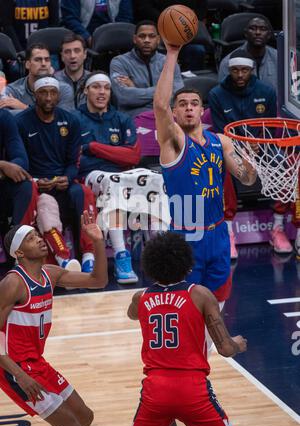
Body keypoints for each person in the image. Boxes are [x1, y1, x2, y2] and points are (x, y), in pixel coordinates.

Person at [153, 41, 257, 310]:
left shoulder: (220, 142)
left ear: (202, 111)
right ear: (175, 113)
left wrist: (252, 158)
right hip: (186, 236)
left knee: (217, 303)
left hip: (218, 232)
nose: (188, 108)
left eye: (194, 103)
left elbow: (246, 179)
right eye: (183, 104)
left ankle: (207, 352)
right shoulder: (172, 141)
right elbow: (160, 106)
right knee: (187, 308)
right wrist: (173, 53)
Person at [128, 231, 247, 426]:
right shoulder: (201, 295)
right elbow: (226, 349)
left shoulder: (141, 298)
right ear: (187, 265)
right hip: (192, 389)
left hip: (155, 390)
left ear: (150, 267)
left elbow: (132, 314)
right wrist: (238, 343)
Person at [0, 212, 108, 426]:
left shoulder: (51, 273)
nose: (39, 239)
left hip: (36, 361)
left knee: (84, 417)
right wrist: (20, 375)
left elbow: (98, 280)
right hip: (14, 367)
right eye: (30, 238)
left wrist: (97, 242)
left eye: (38, 235)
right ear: (19, 253)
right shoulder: (13, 283)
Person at [16, 76, 97, 272]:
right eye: (43, 93)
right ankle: (60, 258)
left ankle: (88, 256)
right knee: (42, 202)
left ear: (59, 96)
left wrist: (67, 178)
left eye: (53, 93)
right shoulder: (20, 121)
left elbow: (73, 161)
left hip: (62, 180)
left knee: (84, 192)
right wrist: (35, 180)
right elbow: (18, 159)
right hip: (35, 182)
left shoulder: (70, 121)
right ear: (35, 95)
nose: (48, 97)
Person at [208, 49, 277, 258]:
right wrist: (243, 148)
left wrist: (259, 145)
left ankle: (280, 226)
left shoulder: (267, 91)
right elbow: (221, 131)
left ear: (252, 70)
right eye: (235, 70)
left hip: (262, 147)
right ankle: (228, 232)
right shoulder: (216, 94)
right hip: (231, 149)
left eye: (244, 70)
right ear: (229, 70)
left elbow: (271, 128)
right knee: (221, 170)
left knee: (286, 166)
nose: (239, 75)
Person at [76, 71, 140, 284]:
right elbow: (76, 158)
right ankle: (122, 255)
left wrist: (93, 147)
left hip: (121, 176)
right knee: (113, 183)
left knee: (156, 182)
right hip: (89, 176)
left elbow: (133, 156)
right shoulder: (74, 118)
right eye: (96, 87)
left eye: (106, 87)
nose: (102, 92)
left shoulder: (122, 119)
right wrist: (115, 154)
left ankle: (163, 254)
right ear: (86, 90)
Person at [110, 20, 183, 117]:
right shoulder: (119, 62)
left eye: (152, 36)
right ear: (135, 39)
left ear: (158, 39)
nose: (147, 40)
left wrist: (136, 90)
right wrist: (164, 91)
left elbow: (177, 94)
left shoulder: (169, 62)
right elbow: (124, 97)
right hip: (134, 117)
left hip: (165, 116)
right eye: (142, 36)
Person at [0, 44, 74, 112]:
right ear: (28, 64)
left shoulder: (63, 89)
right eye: (38, 60)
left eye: (47, 60)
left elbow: (63, 119)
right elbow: (7, 120)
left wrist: (24, 108)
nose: (43, 64)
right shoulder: (12, 90)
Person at [218, 16, 278, 94]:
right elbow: (223, 95)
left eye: (263, 29)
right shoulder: (229, 62)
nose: (258, 32)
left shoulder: (280, 58)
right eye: (253, 28)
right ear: (246, 33)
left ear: (269, 35)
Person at [0, 108, 36, 228]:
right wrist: (2, 165)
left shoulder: (3, 117)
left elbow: (21, 160)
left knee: (26, 186)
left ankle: (18, 236)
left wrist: (6, 168)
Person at [61, 0, 134, 48]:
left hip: (113, 35)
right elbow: (70, 18)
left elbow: (125, 16)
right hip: (84, 35)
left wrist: (116, 37)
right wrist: (86, 37)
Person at [55, 33, 90, 109]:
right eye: (67, 52)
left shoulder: (93, 80)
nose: (72, 56)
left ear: (85, 54)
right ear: (62, 56)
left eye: (77, 51)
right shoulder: (53, 81)